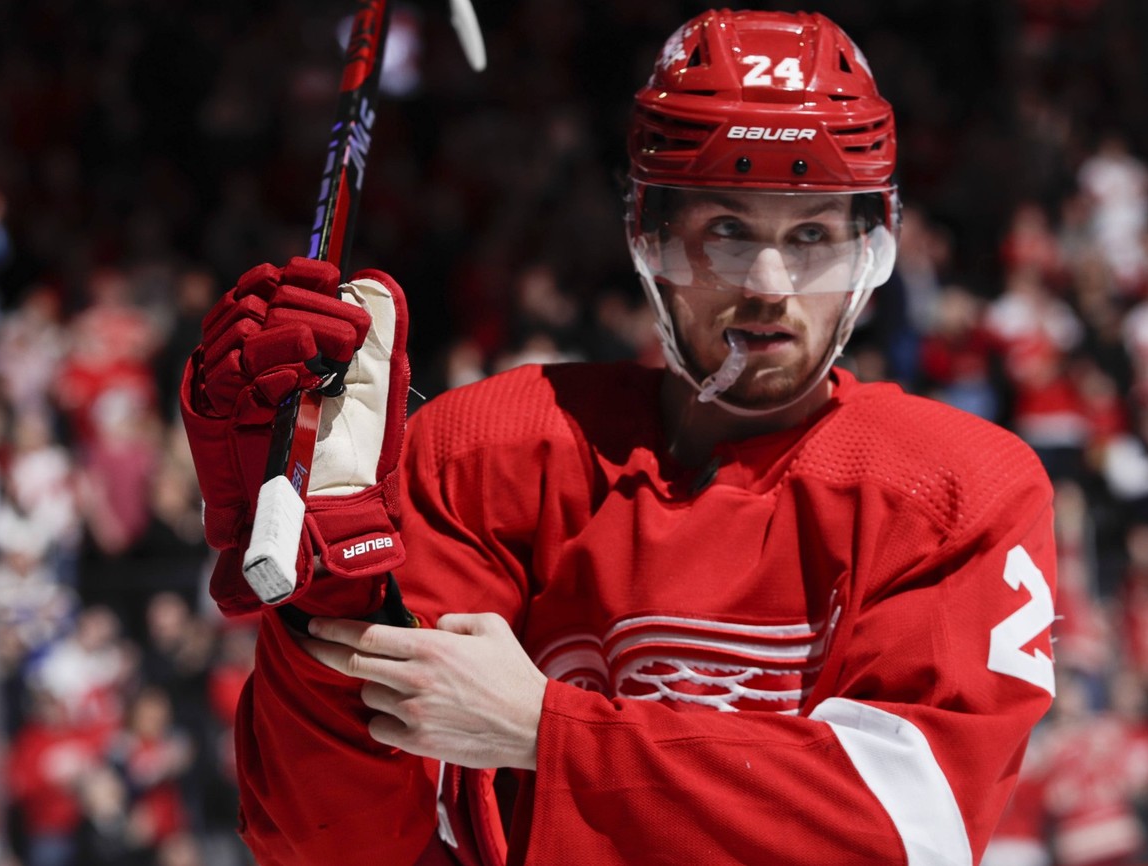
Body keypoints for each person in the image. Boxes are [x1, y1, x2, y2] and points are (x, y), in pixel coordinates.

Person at [180, 10, 1057, 865]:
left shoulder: (958, 491)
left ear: (874, 247)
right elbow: (334, 849)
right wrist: (327, 586)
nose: (768, 282)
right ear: (648, 234)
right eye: (725, 231)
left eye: (813, 236)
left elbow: (904, 831)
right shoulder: (485, 454)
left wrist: (546, 732)